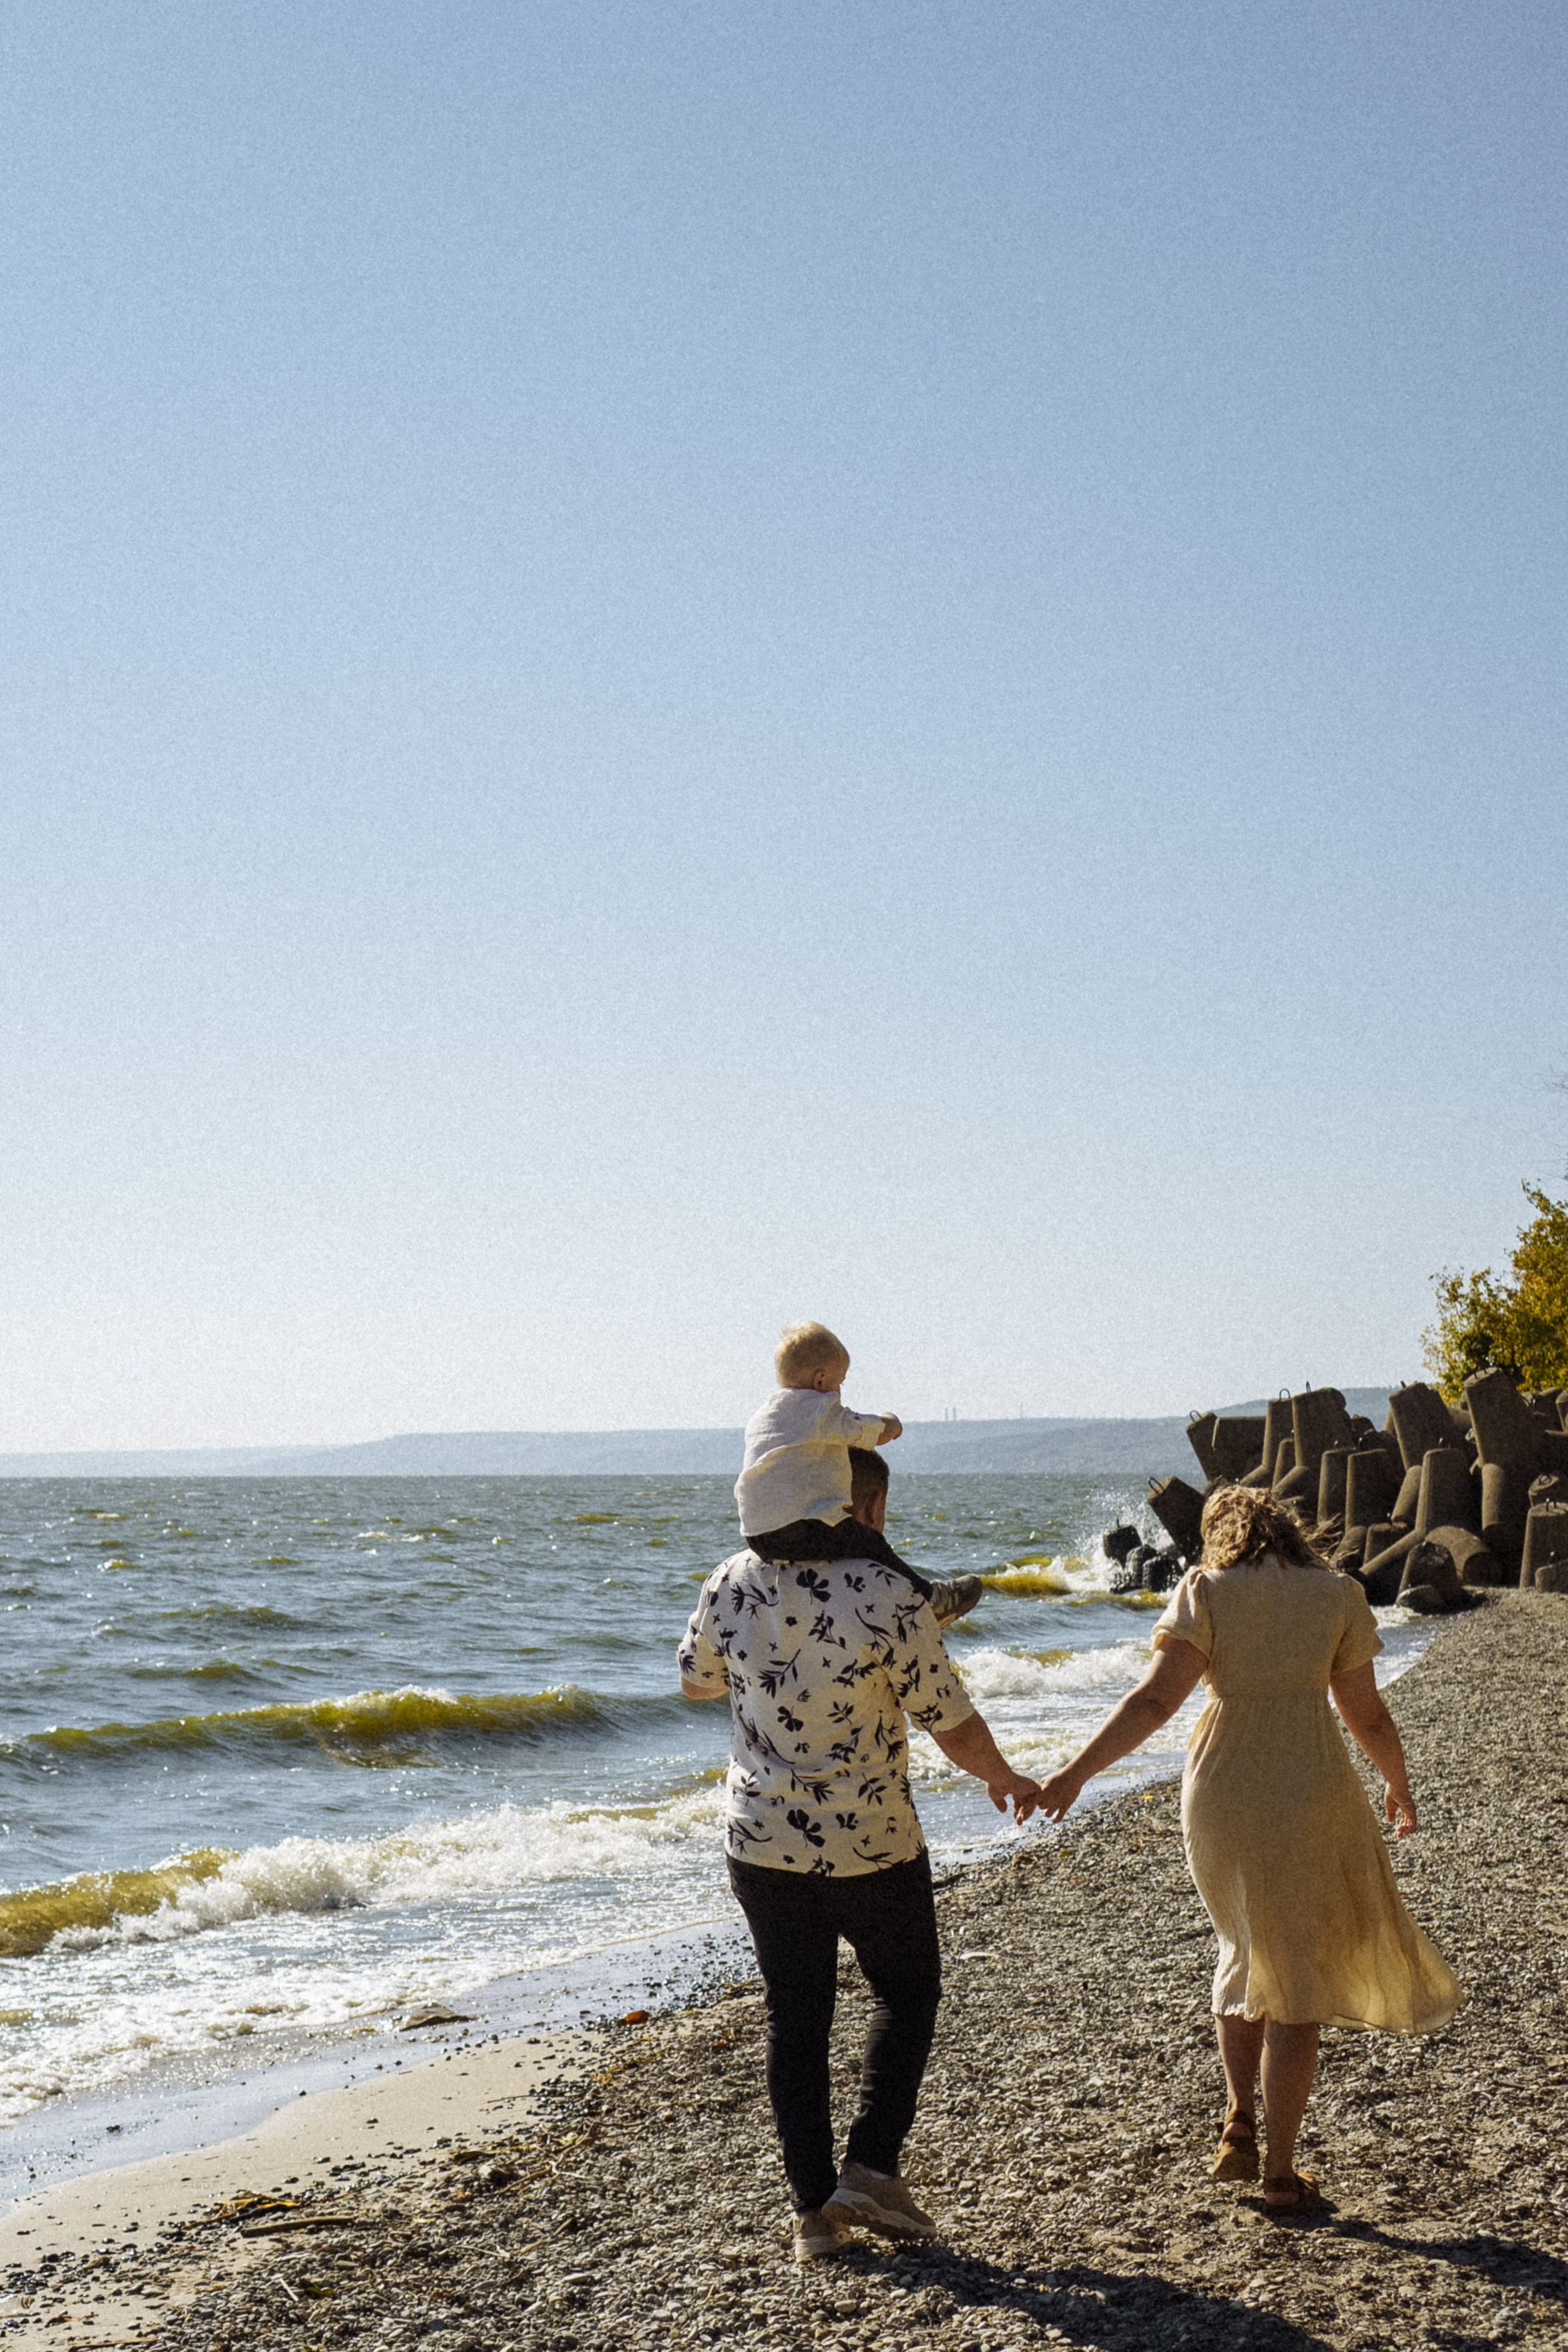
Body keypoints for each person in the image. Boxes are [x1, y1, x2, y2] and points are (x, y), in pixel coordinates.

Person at [1037, 1484, 1462, 2212]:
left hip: (1221, 1791)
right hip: (1312, 1784)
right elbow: (1364, 1713)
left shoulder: (1204, 1589)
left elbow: (1151, 1701)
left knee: (1241, 1946)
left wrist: (1073, 1775)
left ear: (1218, 1534)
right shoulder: (1336, 1594)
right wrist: (1397, 1786)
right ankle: (1279, 2171)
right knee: (1293, 1975)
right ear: (1287, 1529)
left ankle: (1237, 2125)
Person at [679, 1452, 1042, 2262]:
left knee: (795, 2017)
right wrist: (1007, 1777)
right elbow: (948, 1718)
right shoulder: (887, 1593)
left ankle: (812, 2216)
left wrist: (768, 1678)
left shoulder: (729, 1578)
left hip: (761, 1839)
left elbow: (694, 1682)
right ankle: (870, 2167)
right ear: (862, 1508)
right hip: (870, 1839)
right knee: (906, 1993)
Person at [737, 1320, 982, 1623]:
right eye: (840, 1381)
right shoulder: (816, 1408)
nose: (840, 1391)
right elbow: (859, 1430)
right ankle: (929, 1600)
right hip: (801, 1527)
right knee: (870, 1543)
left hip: (758, 1534)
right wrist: (889, 1423)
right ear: (820, 1379)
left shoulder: (762, 1416)